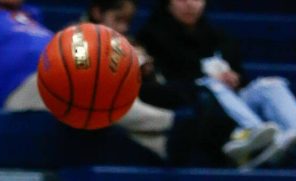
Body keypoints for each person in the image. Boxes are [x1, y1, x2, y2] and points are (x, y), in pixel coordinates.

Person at [0, 0, 248, 163]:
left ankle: (170, 141)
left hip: (59, 76)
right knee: (96, 88)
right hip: (22, 88)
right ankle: (185, 126)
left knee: (104, 91)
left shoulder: (33, 16)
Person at [137, 0, 296, 169]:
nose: (190, 4)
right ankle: (255, 133)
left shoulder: (218, 35)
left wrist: (235, 78)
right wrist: (206, 79)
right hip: (200, 107)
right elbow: (162, 84)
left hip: (233, 101)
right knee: (210, 84)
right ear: (168, 3)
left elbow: (241, 76)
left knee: (271, 86)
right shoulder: (152, 36)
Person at [86, 0, 263, 169]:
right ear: (97, 12)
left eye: (128, 22)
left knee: (185, 101)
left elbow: (152, 87)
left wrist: (146, 72)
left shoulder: (128, 41)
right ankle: (178, 124)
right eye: (118, 20)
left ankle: (179, 141)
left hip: (133, 109)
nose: (123, 28)